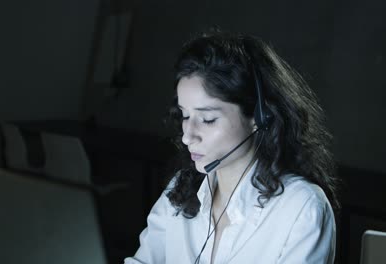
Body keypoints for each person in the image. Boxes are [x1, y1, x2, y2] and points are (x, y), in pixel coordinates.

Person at [124, 29, 339, 264]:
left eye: (208, 119)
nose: (187, 137)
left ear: (259, 117)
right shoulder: (180, 190)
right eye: (185, 116)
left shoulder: (301, 208)